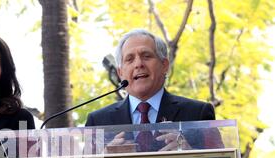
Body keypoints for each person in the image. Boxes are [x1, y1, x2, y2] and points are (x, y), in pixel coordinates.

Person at [85, 29, 218, 151]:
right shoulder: (98, 121)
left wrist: (189, 153)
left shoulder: (198, 113)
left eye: (146, 56)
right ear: (121, 73)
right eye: (129, 59)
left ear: (164, 65)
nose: (138, 64)